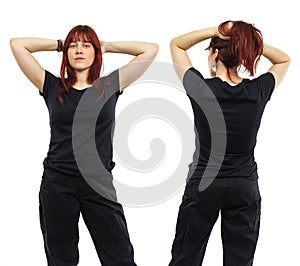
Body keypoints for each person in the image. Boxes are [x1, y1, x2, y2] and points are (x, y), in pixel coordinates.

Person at [10, 25, 158, 266]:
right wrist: (60, 43)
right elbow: (18, 44)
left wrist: (106, 46)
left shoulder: (109, 86)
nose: (79, 50)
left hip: (98, 182)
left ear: (95, 52)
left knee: (119, 256)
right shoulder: (52, 86)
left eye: (86, 45)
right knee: (61, 259)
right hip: (57, 182)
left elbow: (149, 50)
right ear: (65, 53)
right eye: (73, 46)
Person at [168, 20, 290, 265]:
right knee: (239, 260)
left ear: (214, 55)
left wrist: (217, 32)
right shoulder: (257, 91)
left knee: (185, 258)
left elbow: (177, 45)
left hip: (204, 185)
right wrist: (247, 41)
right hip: (243, 186)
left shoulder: (201, 89)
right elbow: (283, 59)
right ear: (242, 55)